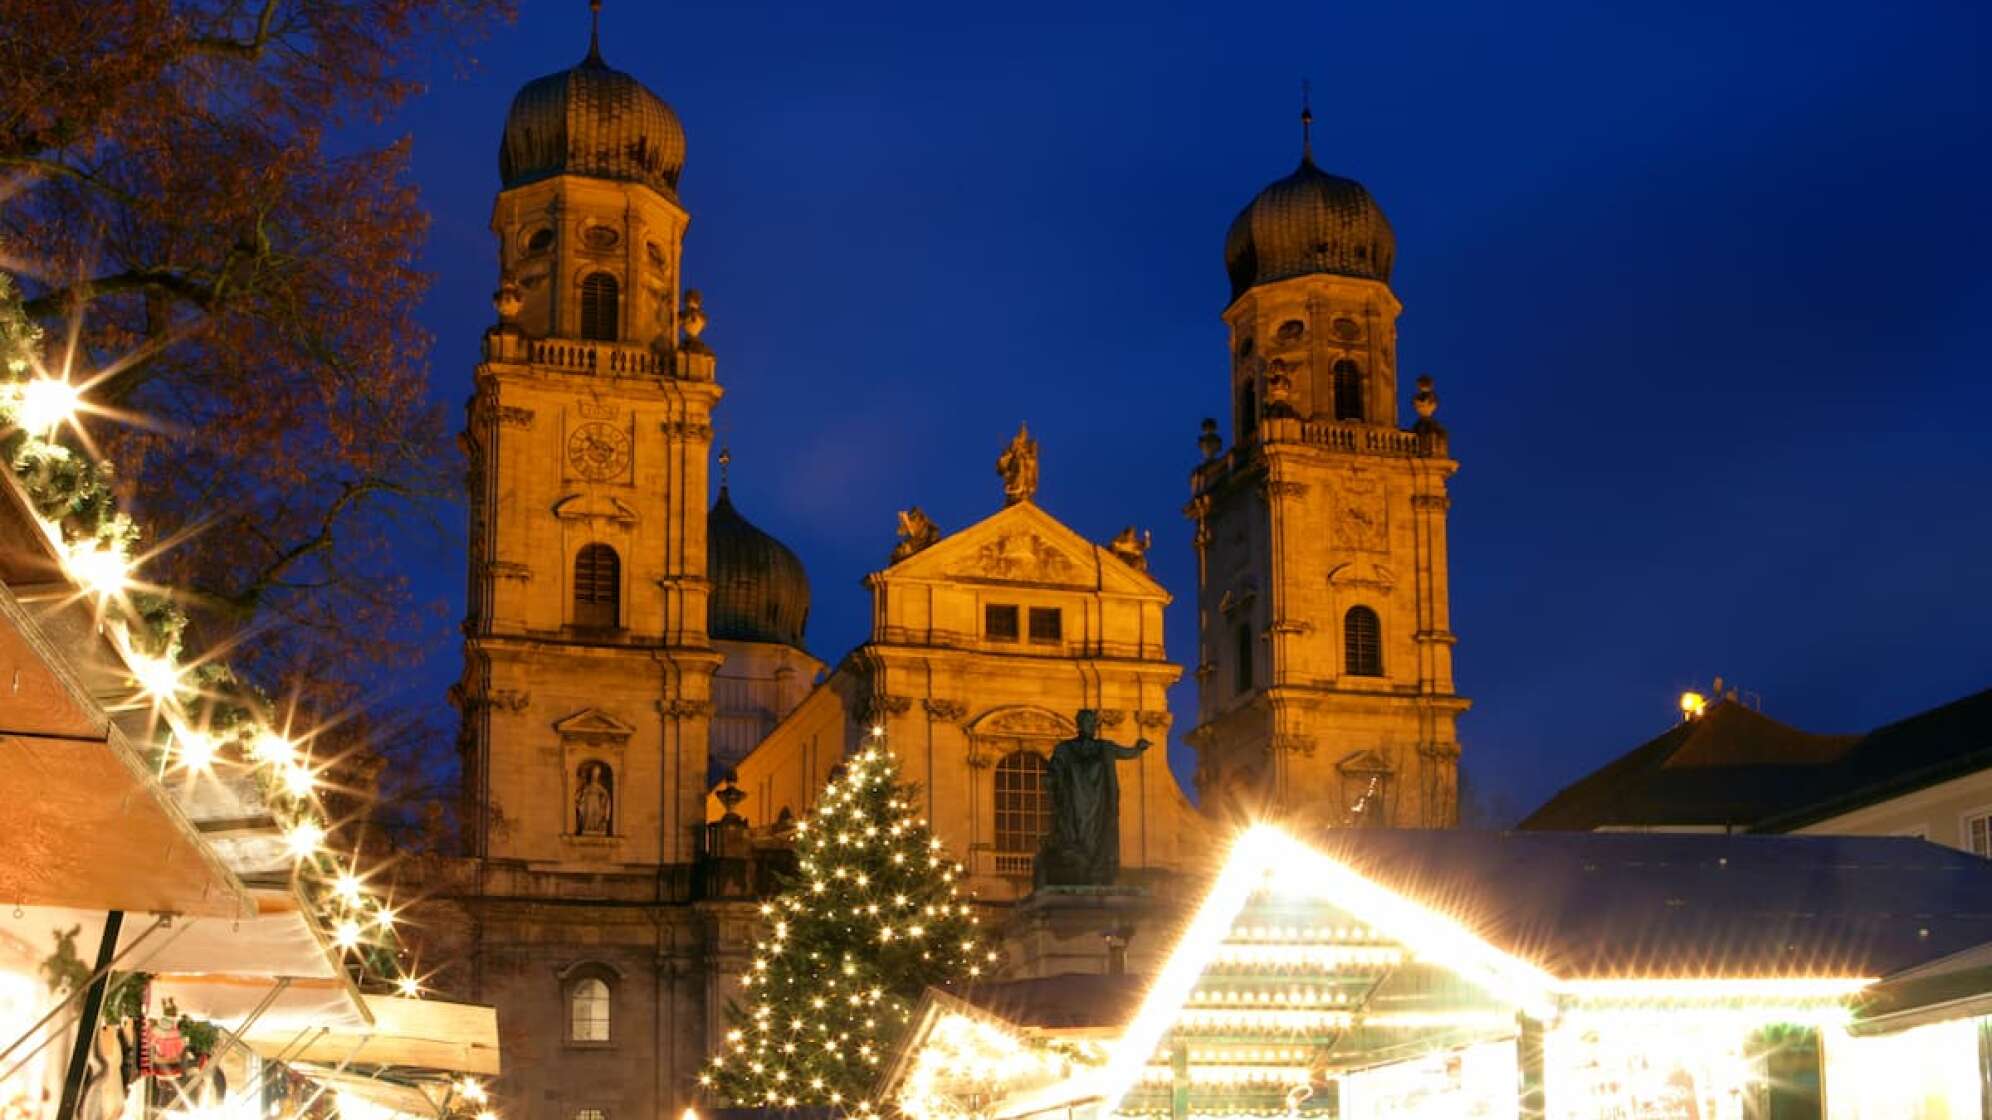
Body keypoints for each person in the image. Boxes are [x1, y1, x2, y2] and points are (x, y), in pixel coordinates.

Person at [1037, 709, 1148, 886]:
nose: (1089, 726)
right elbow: (1054, 768)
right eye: (1085, 722)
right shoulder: (1065, 749)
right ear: (1079, 725)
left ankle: (1093, 866)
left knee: (1096, 834)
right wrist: (1052, 779)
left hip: (1097, 802)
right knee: (1076, 830)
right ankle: (1078, 863)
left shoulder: (1104, 747)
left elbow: (1126, 753)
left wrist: (1138, 749)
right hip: (1074, 799)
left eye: (1092, 723)